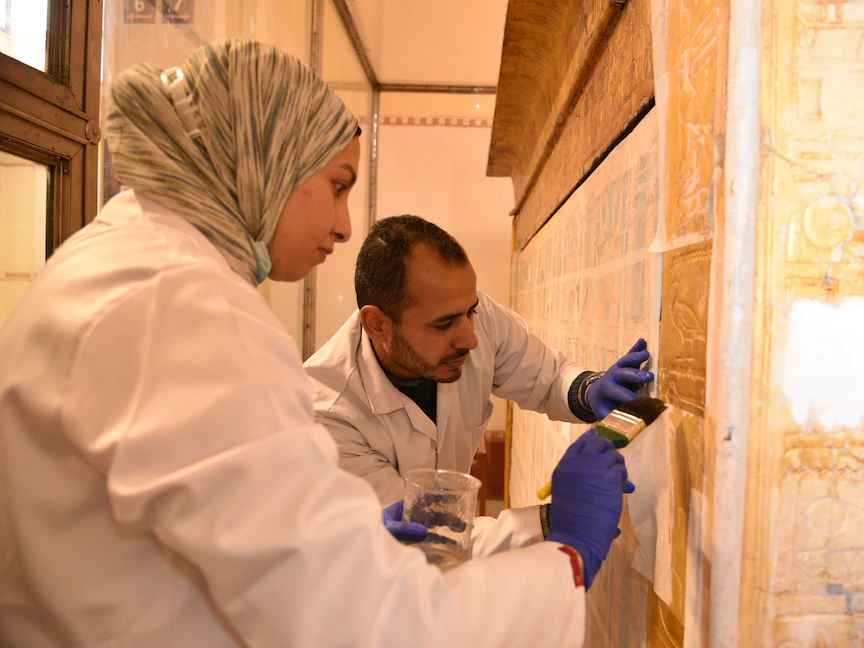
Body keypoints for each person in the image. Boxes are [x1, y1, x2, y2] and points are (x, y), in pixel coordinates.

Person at [0, 39, 631, 647]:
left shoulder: (131, 265)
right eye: (337, 184)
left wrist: (582, 390)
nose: (344, 224)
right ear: (266, 161)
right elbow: (358, 618)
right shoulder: (179, 304)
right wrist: (565, 549)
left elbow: (531, 368)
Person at [304, 215, 654, 510]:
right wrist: (554, 522)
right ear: (377, 325)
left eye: (470, 311)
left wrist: (589, 390)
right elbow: (418, 527)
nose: (470, 338)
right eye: (443, 324)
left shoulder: (476, 316)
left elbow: (547, 379)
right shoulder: (327, 414)